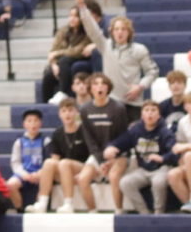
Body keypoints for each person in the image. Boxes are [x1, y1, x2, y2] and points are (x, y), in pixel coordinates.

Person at [74, 0, 159, 121]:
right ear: (111, 32)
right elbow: (92, 28)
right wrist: (82, 5)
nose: (120, 32)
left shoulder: (140, 49)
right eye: (117, 29)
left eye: (123, 29)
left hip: (133, 102)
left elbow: (152, 72)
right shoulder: (105, 46)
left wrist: (140, 86)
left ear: (129, 32)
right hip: (112, 103)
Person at [105, 99, 176, 215]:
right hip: (143, 169)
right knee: (125, 182)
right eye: (147, 110)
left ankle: (159, 212)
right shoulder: (136, 130)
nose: (150, 113)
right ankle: (143, 213)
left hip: (162, 168)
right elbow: (122, 141)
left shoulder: (165, 131)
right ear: (142, 114)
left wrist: (162, 158)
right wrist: (111, 147)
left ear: (158, 115)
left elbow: (174, 151)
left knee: (158, 182)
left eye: (153, 110)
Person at [75, 73, 129, 213]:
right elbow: (89, 139)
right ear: (90, 89)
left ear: (108, 88)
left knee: (113, 176)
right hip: (97, 154)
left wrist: (113, 153)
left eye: (103, 84)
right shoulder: (85, 109)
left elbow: (124, 136)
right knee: (82, 178)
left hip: (118, 153)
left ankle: (119, 210)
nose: (99, 87)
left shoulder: (118, 108)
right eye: (95, 84)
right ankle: (93, 211)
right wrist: (100, 161)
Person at [26, 98, 89, 214]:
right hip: (65, 171)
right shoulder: (57, 133)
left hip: (84, 169)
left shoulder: (84, 130)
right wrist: (37, 174)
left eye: (70, 110)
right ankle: (42, 203)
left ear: (76, 113)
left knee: (64, 163)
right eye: (64, 111)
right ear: (60, 114)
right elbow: (55, 159)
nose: (67, 114)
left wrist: (84, 173)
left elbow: (92, 155)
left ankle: (68, 204)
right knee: (49, 162)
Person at [42, 6, 91, 104]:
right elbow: (53, 50)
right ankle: (45, 105)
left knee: (65, 60)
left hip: (79, 58)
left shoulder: (87, 32)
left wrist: (58, 53)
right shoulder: (63, 31)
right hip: (61, 62)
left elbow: (78, 51)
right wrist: (54, 64)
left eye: (76, 16)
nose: (72, 18)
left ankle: (63, 92)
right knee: (48, 75)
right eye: (70, 15)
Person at [5, 109, 49, 211]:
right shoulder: (19, 142)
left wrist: (39, 173)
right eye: (29, 121)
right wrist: (24, 174)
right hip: (24, 173)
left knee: (46, 182)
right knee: (10, 185)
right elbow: (15, 163)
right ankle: (19, 210)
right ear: (24, 124)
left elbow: (48, 162)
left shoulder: (46, 141)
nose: (33, 124)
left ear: (40, 123)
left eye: (36, 120)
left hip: (41, 174)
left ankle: (40, 208)